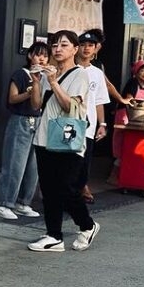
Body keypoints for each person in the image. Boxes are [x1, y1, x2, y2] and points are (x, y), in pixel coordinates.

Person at [26, 31, 100, 253]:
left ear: (75, 49)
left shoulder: (80, 75)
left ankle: (87, 225)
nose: (57, 49)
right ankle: (54, 236)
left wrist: (53, 82)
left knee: (66, 188)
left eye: (64, 45)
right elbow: (36, 105)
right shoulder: (50, 72)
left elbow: (70, 106)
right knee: (49, 190)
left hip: (67, 139)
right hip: (44, 138)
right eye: (54, 45)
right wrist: (37, 82)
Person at [0, 42, 47, 220]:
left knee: (34, 167)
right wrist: (30, 93)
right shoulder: (21, 74)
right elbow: (12, 98)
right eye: (38, 54)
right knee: (14, 164)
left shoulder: (46, 76)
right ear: (30, 55)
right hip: (20, 121)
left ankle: (23, 202)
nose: (42, 58)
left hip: (38, 122)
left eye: (45, 56)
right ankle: (4, 203)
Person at [75, 30, 111, 204]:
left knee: (84, 160)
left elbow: (100, 100)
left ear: (96, 48)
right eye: (82, 45)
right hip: (70, 123)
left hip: (89, 125)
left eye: (90, 45)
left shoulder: (97, 72)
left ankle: (82, 188)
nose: (86, 49)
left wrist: (102, 124)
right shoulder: (69, 68)